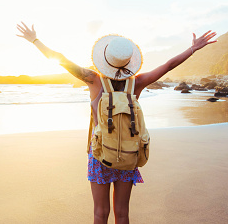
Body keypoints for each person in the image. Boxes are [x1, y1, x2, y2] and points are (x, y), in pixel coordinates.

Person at [16, 22, 217, 224]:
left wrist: (35, 40)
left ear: (104, 59)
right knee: (122, 213)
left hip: (100, 153)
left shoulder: (93, 79)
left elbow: (61, 60)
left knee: (100, 213)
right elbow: (168, 65)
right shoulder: (136, 82)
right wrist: (192, 49)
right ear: (129, 62)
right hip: (129, 153)